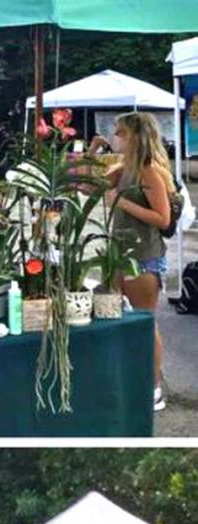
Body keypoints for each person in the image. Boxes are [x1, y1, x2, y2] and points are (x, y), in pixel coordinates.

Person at [89, 112, 176, 412]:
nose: (116, 136)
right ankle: (125, 379)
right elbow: (89, 186)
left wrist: (121, 201)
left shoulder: (150, 171)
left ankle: (153, 388)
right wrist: (91, 152)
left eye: (121, 132)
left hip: (143, 257)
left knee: (143, 322)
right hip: (118, 254)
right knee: (115, 319)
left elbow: (162, 218)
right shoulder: (123, 167)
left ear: (135, 136)